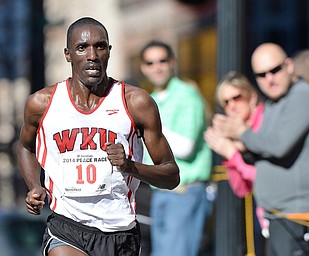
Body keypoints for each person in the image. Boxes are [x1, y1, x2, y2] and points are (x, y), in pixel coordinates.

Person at [16, 17, 180, 256]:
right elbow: (25, 147)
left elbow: (171, 175)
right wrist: (35, 186)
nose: (92, 55)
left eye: (100, 46)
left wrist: (129, 166)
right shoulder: (42, 103)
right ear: (68, 54)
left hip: (120, 231)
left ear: (109, 52)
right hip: (67, 226)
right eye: (82, 48)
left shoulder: (135, 102)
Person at [213, 42, 309, 255]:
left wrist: (241, 135)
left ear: (289, 66)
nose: (269, 79)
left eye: (275, 70)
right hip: (280, 216)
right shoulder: (274, 103)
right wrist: (237, 148)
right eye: (261, 75)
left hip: (300, 217)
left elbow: (278, 145)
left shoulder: (303, 96)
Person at [140, 40, 212, 256]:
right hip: (160, 193)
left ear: (173, 62)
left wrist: (150, 128)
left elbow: (185, 147)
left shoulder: (187, 95)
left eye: (162, 61)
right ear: (143, 68)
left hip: (184, 192)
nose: (157, 67)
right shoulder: (150, 99)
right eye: (150, 63)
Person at [204, 71, 266, 255]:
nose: (231, 106)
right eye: (226, 102)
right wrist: (229, 152)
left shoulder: (265, 121)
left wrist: (233, 152)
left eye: (236, 98)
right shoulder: (236, 133)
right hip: (261, 211)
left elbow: (263, 177)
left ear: (252, 97)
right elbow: (241, 189)